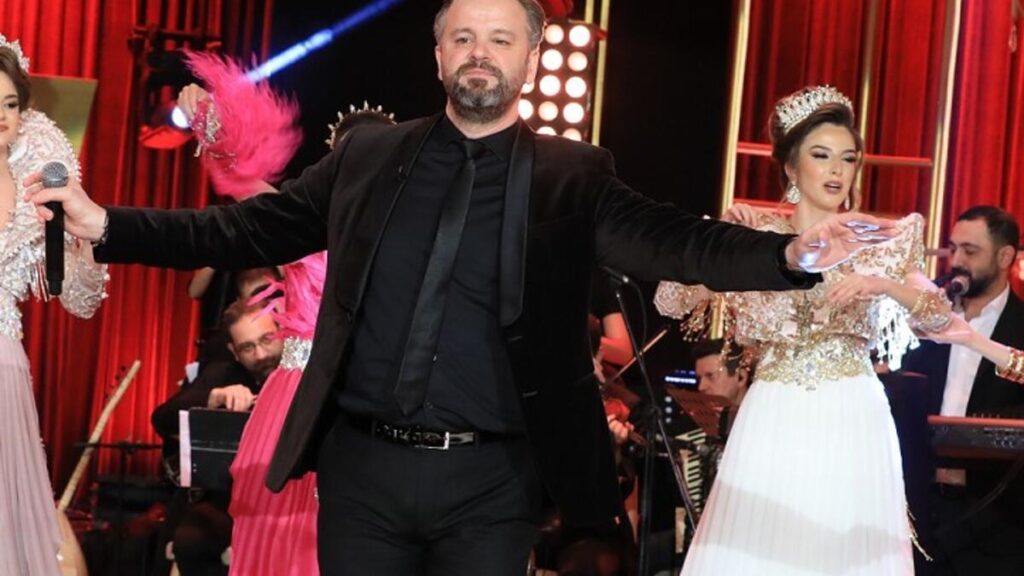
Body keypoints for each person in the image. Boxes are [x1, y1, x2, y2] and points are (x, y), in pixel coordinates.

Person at [27, 1, 896, 573]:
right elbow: (241, 232)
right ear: (439, 50)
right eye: (464, 37)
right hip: (363, 471)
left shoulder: (573, 175)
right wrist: (108, 224)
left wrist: (788, 256)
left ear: (532, 55)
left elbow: (679, 242)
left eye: (501, 38)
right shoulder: (367, 158)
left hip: (492, 479)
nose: (481, 54)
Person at [655, 85, 951, 575]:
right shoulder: (756, 239)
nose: (837, 170)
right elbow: (671, 299)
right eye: (821, 155)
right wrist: (720, 238)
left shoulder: (879, 244)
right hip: (774, 411)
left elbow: (939, 317)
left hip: (853, 413)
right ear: (791, 168)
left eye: (848, 158)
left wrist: (884, 284)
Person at [0, 36, 108, 575]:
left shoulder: (38, 188)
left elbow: (81, 301)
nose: (1, 115)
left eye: (10, 103)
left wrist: (82, 239)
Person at [900, 206, 1024, 575]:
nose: (956, 262)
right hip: (921, 509)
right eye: (953, 249)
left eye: (970, 251)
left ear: (1005, 257)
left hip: (997, 518)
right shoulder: (926, 318)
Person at [150, 299, 283, 576]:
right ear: (234, 352)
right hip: (234, 500)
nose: (260, 355)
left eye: (267, 339)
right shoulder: (224, 373)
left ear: (283, 331)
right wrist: (213, 397)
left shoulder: (306, 372)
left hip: (289, 498)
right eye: (248, 347)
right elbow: (162, 418)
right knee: (191, 539)